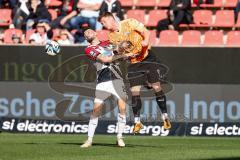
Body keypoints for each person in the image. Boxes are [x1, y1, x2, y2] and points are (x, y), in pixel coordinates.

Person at [99, 12, 171, 134]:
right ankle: (137, 122)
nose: (103, 25)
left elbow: (146, 32)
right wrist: (125, 54)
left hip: (148, 58)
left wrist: (146, 41)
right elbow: (118, 53)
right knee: (134, 92)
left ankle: (165, 117)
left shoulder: (129, 22)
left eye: (103, 22)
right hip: (133, 63)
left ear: (110, 19)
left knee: (156, 87)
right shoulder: (112, 37)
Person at [81, 29, 134, 148]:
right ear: (85, 39)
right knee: (96, 111)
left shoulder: (108, 43)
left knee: (122, 108)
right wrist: (122, 55)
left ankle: (119, 138)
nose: (87, 33)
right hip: (103, 81)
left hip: (118, 79)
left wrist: (125, 46)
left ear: (95, 33)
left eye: (89, 31)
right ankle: (89, 140)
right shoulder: (89, 49)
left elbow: (120, 50)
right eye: (85, 34)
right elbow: (105, 59)